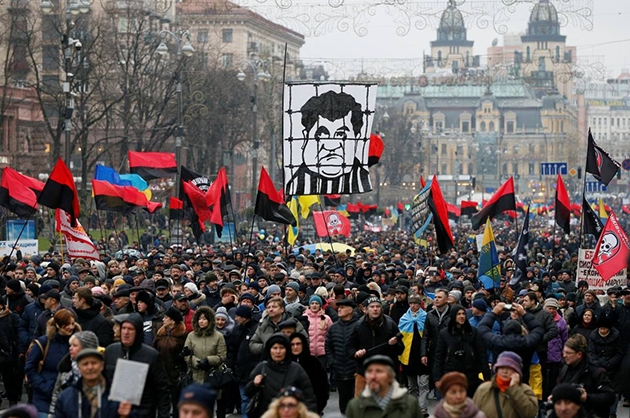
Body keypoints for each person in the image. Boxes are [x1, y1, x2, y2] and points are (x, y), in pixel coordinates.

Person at [285, 90, 372, 195]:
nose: (331, 146)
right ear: (305, 138)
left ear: (356, 140)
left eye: (341, 135)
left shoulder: (361, 180)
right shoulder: (294, 185)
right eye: (321, 135)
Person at [103, 313, 171, 417]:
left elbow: (162, 389)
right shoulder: (110, 351)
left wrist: (163, 415)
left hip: (143, 413)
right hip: (114, 412)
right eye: (124, 328)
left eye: (130, 329)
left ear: (138, 332)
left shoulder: (151, 355)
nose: (126, 332)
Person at [25, 308, 80, 417]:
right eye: (66, 324)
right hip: (44, 398)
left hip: (70, 397)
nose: (70, 327)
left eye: (72, 323)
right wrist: (43, 386)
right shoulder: (44, 342)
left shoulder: (78, 343)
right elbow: (30, 367)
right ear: (58, 325)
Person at [245, 334, 317, 418]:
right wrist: (254, 384)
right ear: (269, 350)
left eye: (281, 348)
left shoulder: (296, 369)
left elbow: (309, 397)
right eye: (275, 348)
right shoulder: (262, 367)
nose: (278, 352)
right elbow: (247, 393)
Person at [53, 348, 132, 418]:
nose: (90, 367)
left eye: (94, 363)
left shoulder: (118, 396)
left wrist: (125, 416)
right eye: (85, 364)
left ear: (102, 365)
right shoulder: (66, 397)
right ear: (79, 368)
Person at [477, 302, 543, 383]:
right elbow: (538, 329)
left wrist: (494, 312)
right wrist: (524, 314)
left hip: (499, 384)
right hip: (521, 383)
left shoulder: (497, 342)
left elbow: (482, 328)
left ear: (504, 330)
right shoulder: (527, 343)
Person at [350, 296, 403, 396]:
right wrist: (356, 353)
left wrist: (394, 344)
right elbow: (349, 347)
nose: (375, 309)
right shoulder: (358, 326)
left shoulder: (390, 325)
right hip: (363, 372)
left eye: (378, 306)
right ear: (365, 310)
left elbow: (401, 349)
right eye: (372, 307)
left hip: (385, 373)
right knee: (361, 408)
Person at [434, 305, 489, 396]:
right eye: (458, 314)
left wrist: (487, 377)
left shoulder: (473, 332)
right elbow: (439, 357)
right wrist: (437, 378)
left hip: (471, 375)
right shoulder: (444, 333)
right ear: (453, 315)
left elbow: (481, 355)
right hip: (451, 374)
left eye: (463, 314)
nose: (461, 316)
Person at [557, 334, 615, 418]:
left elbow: (609, 396)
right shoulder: (565, 366)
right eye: (564, 352)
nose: (564, 355)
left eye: (568, 353)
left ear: (579, 354)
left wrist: (587, 397)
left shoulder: (596, 371)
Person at [345, 354, 420, 418]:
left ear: (390, 376)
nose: (373, 376)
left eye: (379, 371)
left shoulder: (410, 404)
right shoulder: (355, 406)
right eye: (369, 371)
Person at [472, 351, 539, 418]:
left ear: (517, 372)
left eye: (509, 368)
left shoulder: (525, 390)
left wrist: (515, 389)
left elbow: (530, 413)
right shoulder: (484, 389)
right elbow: (474, 413)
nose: (505, 371)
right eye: (502, 367)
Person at [49, 330, 99, 417]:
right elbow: (56, 394)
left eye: (75, 345)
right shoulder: (66, 367)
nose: (70, 348)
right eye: (70, 345)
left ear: (85, 348)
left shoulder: (98, 371)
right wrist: (52, 415)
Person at [325, 298, 358, 414]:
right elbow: (328, 346)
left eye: (342, 307)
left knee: (357, 404)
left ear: (350, 310)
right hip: (339, 371)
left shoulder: (359, 326)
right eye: (338, 307)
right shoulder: (333, 327)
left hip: (355, 371)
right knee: (343, 403)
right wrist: (332, 362)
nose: (339, 309)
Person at [153, 306, 187, 416]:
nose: (163, 319)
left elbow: (184, 355)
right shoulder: (160, 333)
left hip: (175, 373)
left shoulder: (182, 335)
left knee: (176, 402)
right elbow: (154, 349)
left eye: (166, 317)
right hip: (161, 372)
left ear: (172, 320)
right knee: (162, 402)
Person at [228, 305, 259, 418]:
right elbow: (232, 350)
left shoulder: (256, 329)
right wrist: (231, 366)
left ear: (245, 318)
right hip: (240, 371)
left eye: (238, 316)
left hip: (253, 370)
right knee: (245, 399)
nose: (235, 319)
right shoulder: (236, 330)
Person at [183, 306, 227, 385]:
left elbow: (222, 356)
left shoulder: (218, 336)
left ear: (210, 321)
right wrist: (197, 362)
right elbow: (186, 354)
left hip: (212, 377)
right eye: (199, 319)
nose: (201, 321)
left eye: (204, 319)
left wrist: (208, 360)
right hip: (195, 376)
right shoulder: (191, 335)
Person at [289, 332, 329, 414]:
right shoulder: (286, 363)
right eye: (292, 344)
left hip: (311, 409)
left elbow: (323, 386)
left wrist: (318, 406)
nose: (295, 347)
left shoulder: (313, 362)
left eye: (298, 344)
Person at [301, 295, 332, 367]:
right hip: (308, 354)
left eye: (317, 303)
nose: (314, 305)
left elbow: (331, 335)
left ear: (320, 305)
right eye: (312, 303)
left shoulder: (326, 318)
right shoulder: (304, 317)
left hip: (323, 354)